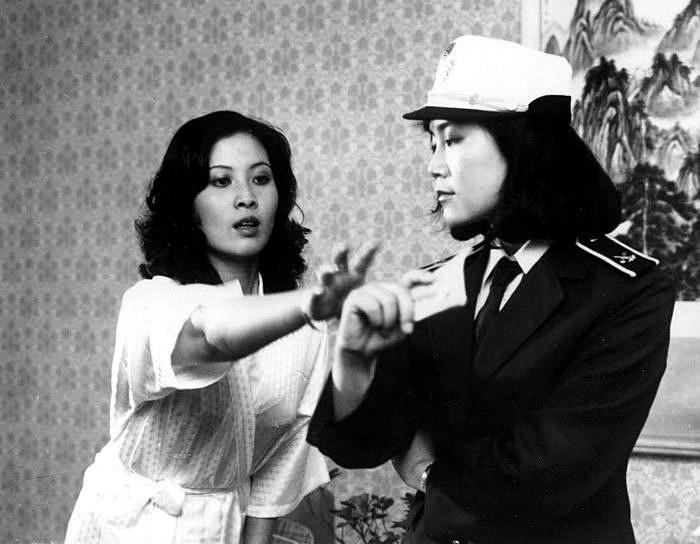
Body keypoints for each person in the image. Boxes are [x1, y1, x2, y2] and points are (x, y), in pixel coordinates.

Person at [308, 35, 676, 544]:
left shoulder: (628, 290)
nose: (434, 165)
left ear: (524, 145)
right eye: (432, 143)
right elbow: (361, 445)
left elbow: (556, 465)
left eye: (454, 139)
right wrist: (353, 358)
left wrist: (431, 474)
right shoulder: (437, 282)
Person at [64, 110, 376, 544]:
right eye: (221, 181)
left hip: (222, 528)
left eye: (261, 179)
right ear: (189, 205)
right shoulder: (152, 302)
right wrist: (309, 304)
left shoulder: (308, 331)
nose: (246, 197)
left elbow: (284, 458)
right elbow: (208, 336)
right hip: (127, 527)